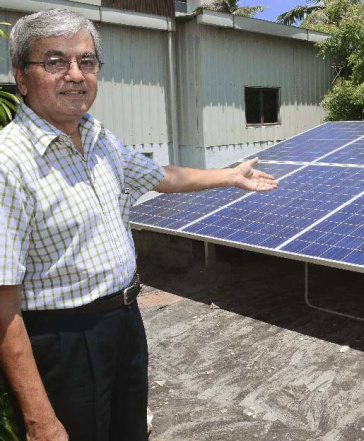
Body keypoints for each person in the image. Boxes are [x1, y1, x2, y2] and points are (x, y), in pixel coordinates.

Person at [0, 8, 278, 440]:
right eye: (55, 62)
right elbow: (2, 306)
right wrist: (38, 418)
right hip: (64, 343)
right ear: (21, 76)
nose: (75, 74)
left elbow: (160, 176)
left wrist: (229, 175)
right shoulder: (8, 163)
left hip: (125, 322)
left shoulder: (98, 137)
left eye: (86, 62)